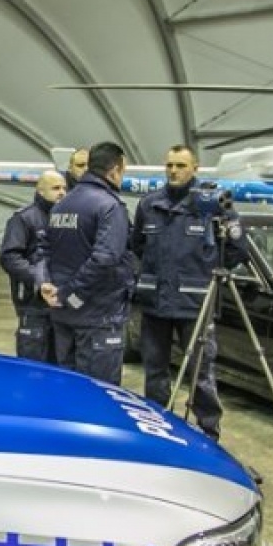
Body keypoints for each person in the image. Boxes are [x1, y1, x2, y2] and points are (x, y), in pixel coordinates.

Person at [130, 145, 246, 439]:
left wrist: (207, 269)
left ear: (195, 167)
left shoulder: (212, 205)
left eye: (180, 165)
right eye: (169, 165)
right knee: (155, 371)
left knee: (200, 373)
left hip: (194, 305)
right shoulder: (149, 205)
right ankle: (158, 428)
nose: (173, 171)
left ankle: (208, 432)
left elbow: (237, 249)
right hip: (155, 303)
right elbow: (137, 246)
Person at [40, 142, 133, 384]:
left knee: (68, 389)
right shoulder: (110, 207)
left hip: (63, 315)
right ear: (115, 170)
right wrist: (72, 293)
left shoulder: (62, 205)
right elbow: (105, 259)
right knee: (99, 396)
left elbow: (47, 251)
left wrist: (55, 289)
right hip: (98, 318)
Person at [0, 170, 66, 362]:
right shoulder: (24, 219)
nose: (61, 192)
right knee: (34, 361)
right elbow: (10, 257)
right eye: (55, 188)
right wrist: (39, 280)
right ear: (41, 191)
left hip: (61, 304)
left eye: (64, 188)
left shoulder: (68, 219)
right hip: (33, 305)